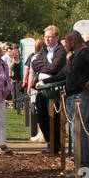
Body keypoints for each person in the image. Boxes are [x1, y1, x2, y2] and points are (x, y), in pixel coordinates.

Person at [46, 30, 89, 172]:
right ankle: (79, 164)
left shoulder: (86, 53)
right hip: (71, 96)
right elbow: (66, 74)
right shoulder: (74, 56)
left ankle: (83, 166)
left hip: (80, 97)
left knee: (79, 132)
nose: (65, 45)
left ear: (73, 41)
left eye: (67, 42)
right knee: (75, 132)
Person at [32, 26, 67, 155]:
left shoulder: (61, 51)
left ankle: (56, 145)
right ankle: (49, 141)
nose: (47, 39)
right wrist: (47, 65)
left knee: (54, 116)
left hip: (53, 87)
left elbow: (55, 67)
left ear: (56, 37)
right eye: (46, 37)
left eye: (50, 37)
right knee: (41, 115)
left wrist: (44, 66)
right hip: (40, 87)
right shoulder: (44, 51)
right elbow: (34, 64)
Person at [24, 38, 46, 142]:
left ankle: (41, 133)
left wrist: (29, 87)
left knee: (38, 110)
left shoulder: (34, 57)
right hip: (44, 84)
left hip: (37, 86)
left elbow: (31, 73)